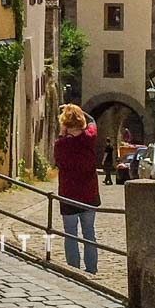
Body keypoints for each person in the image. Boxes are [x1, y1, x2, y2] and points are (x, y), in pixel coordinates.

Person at [54, 105, 101, 274]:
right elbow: (92, 121)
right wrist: (77, 110)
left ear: (65, 124)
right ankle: (91, 269)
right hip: (89, 194)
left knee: (70, 234)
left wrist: (62, 133)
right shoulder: (90, 136)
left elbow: (58, 163)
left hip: (69, 195)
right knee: (89, 233)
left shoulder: (61, 145)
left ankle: (74, 270)